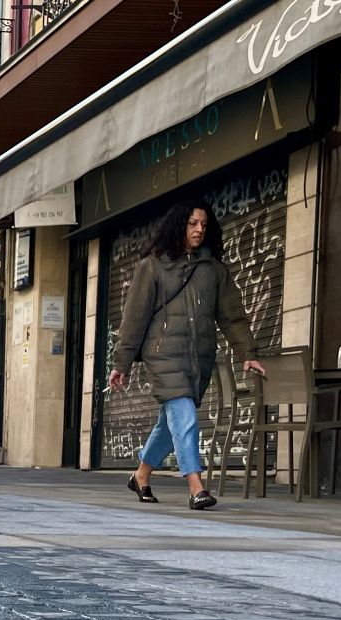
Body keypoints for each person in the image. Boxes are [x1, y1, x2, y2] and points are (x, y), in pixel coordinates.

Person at [109, 199, 265, 510]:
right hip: (163, 354)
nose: (199, 230)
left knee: (170, 425)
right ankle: (196, 487)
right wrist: (121, 363)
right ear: (179, 225)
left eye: (204, 225)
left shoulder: (214, 270)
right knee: (186, 417)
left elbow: (232, 316)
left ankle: (141, 476)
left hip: (199, 357)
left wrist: (247, 352)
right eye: (193, 223)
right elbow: (134, 318)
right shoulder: (153, 266)